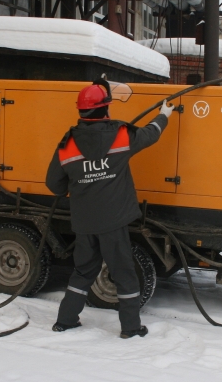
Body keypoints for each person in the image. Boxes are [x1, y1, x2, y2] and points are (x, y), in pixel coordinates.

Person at [45, 79, 174, 339]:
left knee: (83, 271)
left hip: (84, 223)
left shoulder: (67, 143)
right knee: (124, 273)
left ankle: (65, 320)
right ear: (105, 109)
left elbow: (54, 185)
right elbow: (151, 134)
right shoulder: (121, 135)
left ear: (81, 111)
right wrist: (164, 115)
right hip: (113, 222)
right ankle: (131, 327)